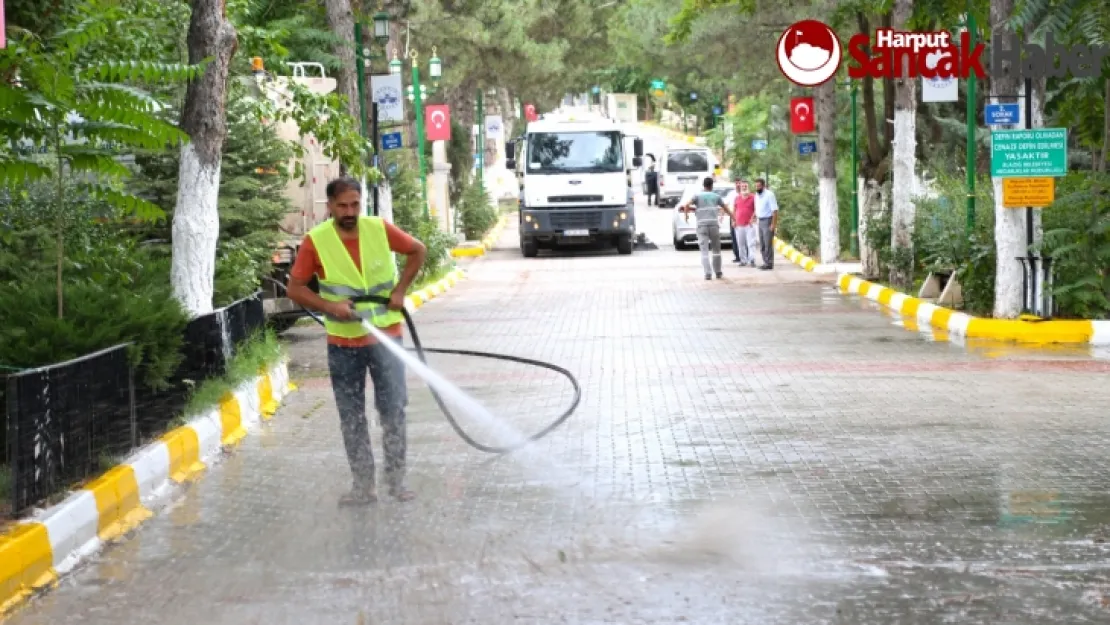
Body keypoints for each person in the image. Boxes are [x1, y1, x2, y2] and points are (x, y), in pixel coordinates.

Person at [286, 177, 427, 506]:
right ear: (330, 206)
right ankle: (364, 487)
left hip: (386, 338)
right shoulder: (316, 241)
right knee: (351, 417)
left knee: (393, 411)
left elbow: (418, 251)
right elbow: (295, 289)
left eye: (355, 204)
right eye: (343, 205)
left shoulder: (378, 229)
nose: (349, 211)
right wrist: (330, 306)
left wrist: (400, 290)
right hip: (343, 344)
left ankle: (397, 481)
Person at [681, 176, 734, 280]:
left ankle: (708, 273)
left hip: (701, 226)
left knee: (704, 251)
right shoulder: (716, 196)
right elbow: (725, 208)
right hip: (714, 225)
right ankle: (718, 272)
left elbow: (686, 205)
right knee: (716, 250)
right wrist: (734, 217)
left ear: (703, 185)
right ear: (711, 186)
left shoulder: (697, 196)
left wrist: (686, 215)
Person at [753, 177, 779, 270]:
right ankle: (765, 262)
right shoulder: (756, 195)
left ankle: (769, 263)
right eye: (756, 186)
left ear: (763, 186)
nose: (757, 188)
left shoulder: (769, 195)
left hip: (768, 220)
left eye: (759, 186)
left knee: (768, 244)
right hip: (760, 221)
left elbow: (775, 211)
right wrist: (755, 216)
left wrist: (773, 224)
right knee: (762, 244)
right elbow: (757, 207)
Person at [730, 179, 757, 267]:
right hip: (739, 224)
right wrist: (733, 220)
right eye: (742, 186)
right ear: (740, 187)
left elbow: (757, 209)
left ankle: (752, 259)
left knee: (751, 243)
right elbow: (734, 210)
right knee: (740, 243)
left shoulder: (753, 197)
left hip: (750, 224)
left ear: (748, 187)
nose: (744, 187)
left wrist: (753, 218)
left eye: (745, 186)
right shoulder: (737, 198)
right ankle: (743, 260)